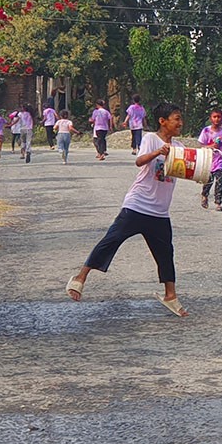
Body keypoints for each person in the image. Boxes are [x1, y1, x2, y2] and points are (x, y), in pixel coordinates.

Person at [66, 102, 190, 317]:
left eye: (180, 118)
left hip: (160, 211)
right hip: (138, 205)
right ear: (163, 121)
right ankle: (80, 278)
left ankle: (170, 296)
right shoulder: (151, 139)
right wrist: (158, 152)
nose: (180, 122)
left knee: (165, 254)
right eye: (176, 118)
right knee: (111, 240)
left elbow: (188, 169)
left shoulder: (179, 146)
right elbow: (139, 161)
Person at [198, 110, 222, 211]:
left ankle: (218, 203)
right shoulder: (206, 131)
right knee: (208, 180)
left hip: (219, 160)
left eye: (219, 117)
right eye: (214, 117)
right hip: (208, 160)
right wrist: (211, 146)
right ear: (211, 118)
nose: (217, 119)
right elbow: (201, 145)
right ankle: (204, 195)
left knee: (220, 181)